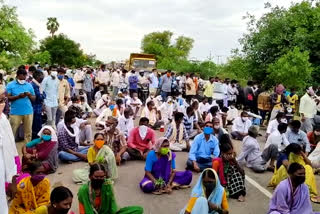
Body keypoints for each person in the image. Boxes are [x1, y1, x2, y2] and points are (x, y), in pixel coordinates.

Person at [78, 163, 144, 214]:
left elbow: (112, 204)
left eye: (102, 177)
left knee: (138, 210)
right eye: (96, 177)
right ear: (90, 177)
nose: (99, 179)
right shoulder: (83, 190)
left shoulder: (107, 185)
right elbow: (83, 211)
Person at [0, 87, 21, 214]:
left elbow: (11, 149)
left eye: (3, 100)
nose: (3, 104)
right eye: (0, 100)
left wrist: (12, 180)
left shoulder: (3, 119)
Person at [6, 68, 36, 143]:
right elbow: (8, 98)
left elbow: (34, 98)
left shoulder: (29, 85)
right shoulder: (10, 85)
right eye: (22, 76)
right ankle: (11, 147)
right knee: (12, 131)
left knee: (28, 132)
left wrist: (29, 95)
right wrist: (18, 96)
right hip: (15, 112)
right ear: (18, 75)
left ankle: (27, 147)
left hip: (28, 111)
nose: (24, 78)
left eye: (25, 76)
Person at [213, 138, 246, 202]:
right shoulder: (217, 162)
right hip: (221, 182)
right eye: (228, 154)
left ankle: (239, 193)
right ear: (222, 153)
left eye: (231, 153)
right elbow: (214, 176)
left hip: (230, 182)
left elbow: (242, 173)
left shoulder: (232, 160)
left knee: (236, 170)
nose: (230, 156)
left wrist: (235, 162)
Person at [31, 70, 46, 139]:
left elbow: (43, 95)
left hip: (37, 109)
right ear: (37, 76)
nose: (43, 78)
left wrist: (42, 95)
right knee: (36, 128)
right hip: (35, 109)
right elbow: (40, 97)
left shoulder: (37, 85)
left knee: (37, 127)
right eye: (41, 76)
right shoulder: (34, 85)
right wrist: (43, 95)